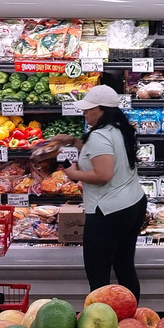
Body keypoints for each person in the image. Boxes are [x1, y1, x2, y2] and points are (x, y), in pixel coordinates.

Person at [51, 85, 147, 301]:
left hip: (108, 211)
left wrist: (74, 174)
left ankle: (100, 320)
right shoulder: (120, 129)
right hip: (133, 204)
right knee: (124, 265)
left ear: (103, 110)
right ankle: (132, 317)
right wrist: (74, 142)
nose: (85, 113)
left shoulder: (99, 136)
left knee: (98, 273)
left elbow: (103, 174)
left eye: (88, 109)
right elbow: (102, 153)